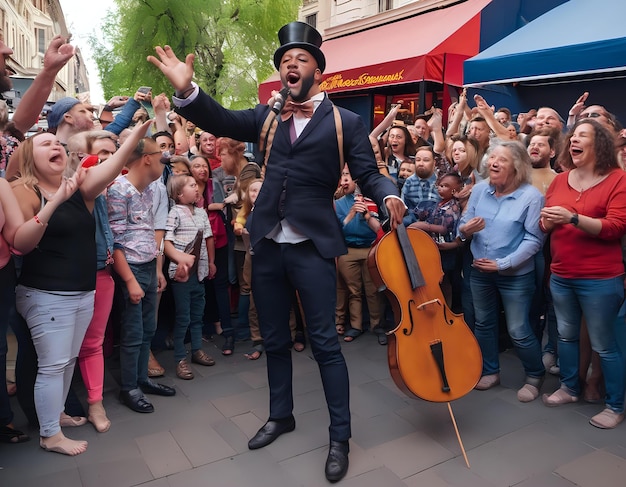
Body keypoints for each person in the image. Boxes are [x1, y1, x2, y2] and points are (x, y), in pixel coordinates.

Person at [148, 21, 405, 482]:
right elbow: (221, 119)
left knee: (325, 344)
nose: (291, 63)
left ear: (319, 73)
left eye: (301, 58)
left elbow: (371, 172)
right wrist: (188, 91)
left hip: (311, 246)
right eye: (285, 59)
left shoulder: (347, 123)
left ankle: (339, 437)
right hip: (265, 243)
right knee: (275, 339)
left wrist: (389, 195)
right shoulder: (267, 118)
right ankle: (280, 415)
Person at [11, 121, 151, 455]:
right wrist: (54, 201)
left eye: (56, 143)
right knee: (53, 364)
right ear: (29, 158)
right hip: (45, 294)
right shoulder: (24, 190)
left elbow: (113, 165)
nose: (54, 146)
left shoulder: (80, 186)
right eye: (44, 144)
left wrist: (135, 135)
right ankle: (49, 434)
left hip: (82, 291)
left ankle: (55, 415)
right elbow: (20, 242)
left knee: (69, 359)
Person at [540, 119, 626, 429]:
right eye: (573, 136)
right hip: (562, 275)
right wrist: (548, 223)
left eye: (582, 136)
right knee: (566, 336)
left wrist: (574, 218)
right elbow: (544, 224)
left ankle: (615, 406)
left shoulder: (617, 179)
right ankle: (569, 388)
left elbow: (616, 227)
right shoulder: (560, 180)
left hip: (601, 278)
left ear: (599, 144)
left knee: (604, 345)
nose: (574, 140)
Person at [458, 140, 545, 402]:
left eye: (501, 159)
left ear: (517, 167)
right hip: (479, 272)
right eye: (491, 157)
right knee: (484, 324)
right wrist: (465, 230)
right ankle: (490, 371)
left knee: (518, 328)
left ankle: (534, 375)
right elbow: (463, 223)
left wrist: (503, 264)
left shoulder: (532, 197)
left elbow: (534, 240)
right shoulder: (480, 190)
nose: (493, 162)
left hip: (515, 276)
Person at [107, 136, 177, 415]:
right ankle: (129, 388)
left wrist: (157, 270)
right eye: (160, 153)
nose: (165, 158)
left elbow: (150, 230)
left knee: (148, 329)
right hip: (132, 269)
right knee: (133, 332)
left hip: (148, 265)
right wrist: (129, 280)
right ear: (146, 158)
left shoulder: (151, 189)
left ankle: (141, 380)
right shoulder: (119, 190)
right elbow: (115, 241)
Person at [164, 175, 216, 380]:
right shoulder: (174, 213)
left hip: (199, 273)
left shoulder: (202, 212)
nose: (197, 189)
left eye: (197, 185)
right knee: (183, 317)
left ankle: (196, 350)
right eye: (192, 186)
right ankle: (179, 358)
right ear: (178, 194)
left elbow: (208, 238)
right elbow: (166, 240)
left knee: (197, 316)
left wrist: (211, 262)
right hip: (182, 275)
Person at [334, 165, 383, 342]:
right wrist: (351, 214)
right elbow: (338, 229)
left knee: (373, 290)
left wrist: (367, 214)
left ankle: (377, 326)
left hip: (370, 249)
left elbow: (379, 226)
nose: (345, 180)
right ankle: (356, 326)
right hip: (348, 250)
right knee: (354, 291)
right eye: (343, 176)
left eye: (349, 176)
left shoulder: (372, 200)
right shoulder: (338, 204)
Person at [408, 172, 463, 308]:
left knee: (444, 280)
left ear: (454, 190)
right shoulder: (438, 204)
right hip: (434, 247)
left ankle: (447, 309)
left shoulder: (453, 207)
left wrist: (426, 226)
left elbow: (445, 228)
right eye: (439, 185)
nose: (440, 188)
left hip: (446, 248)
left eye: (445, 186)